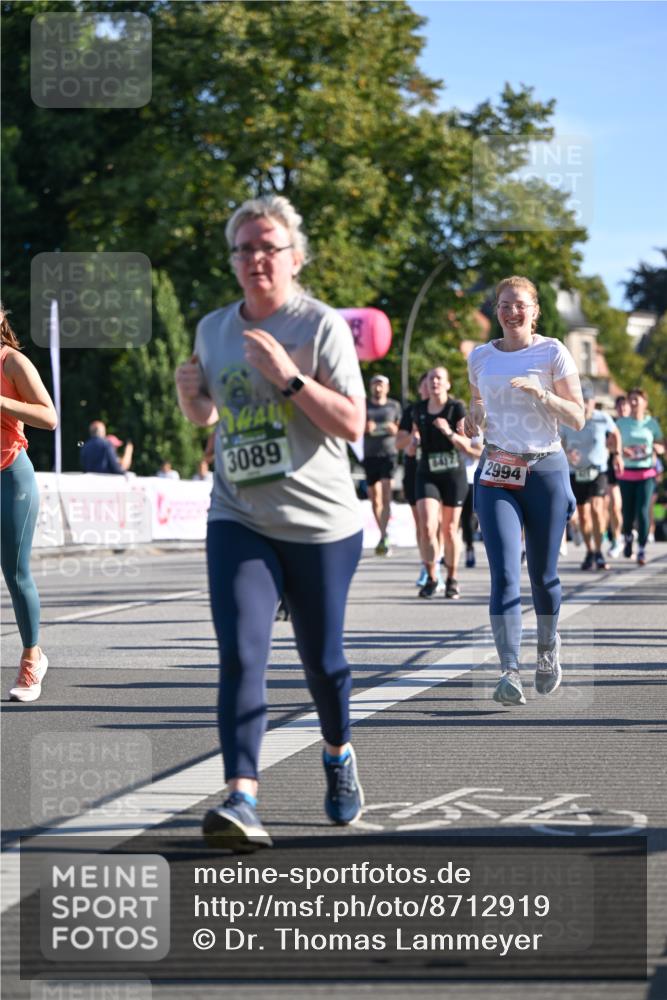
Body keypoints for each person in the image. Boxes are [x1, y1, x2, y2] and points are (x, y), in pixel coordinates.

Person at [175, 195, 366, 851]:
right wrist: (189, 398)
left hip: (320, 523)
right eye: (244, 248)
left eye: (268, 246)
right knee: (241, 654)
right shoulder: (212, 329)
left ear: (295, 257)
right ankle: (241, 797)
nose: (256, 258)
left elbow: (353, 423)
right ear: (232, 260)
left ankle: (337, 752)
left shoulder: (320, 327)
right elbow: (208, 415)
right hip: (239, 514)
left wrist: (289, 379)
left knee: (324, 664)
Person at [465, 276, 583, 706]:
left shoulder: (552, 351)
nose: (512, 312)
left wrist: (542, 395)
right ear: (496, 310)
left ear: (535, 311)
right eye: (504, 305)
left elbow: (578, 417)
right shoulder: (480, 356)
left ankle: (548, 650)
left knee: (543, 575)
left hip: (545, 469)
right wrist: (472, 418)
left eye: (520, 305)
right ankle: (508, 669)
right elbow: (478, 404)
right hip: (497, 468)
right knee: (503, 574)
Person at [1, 304, 57, 702]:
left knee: (15, 572)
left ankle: (32, 657)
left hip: (10, 477)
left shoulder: (12, 362)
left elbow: (49, 417)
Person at [414, 366, 471, 599]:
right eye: (430, 378)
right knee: (427, 526)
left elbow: (467, 445)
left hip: (453, 474)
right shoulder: (417, 409)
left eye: (439, 378)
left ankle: (452, 578)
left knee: (449, 529)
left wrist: (448, 432)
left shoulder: (456, 408)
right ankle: (432, 577)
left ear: (447, 384)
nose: (434, 382)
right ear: (426, 384)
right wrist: (410, 441)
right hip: (427, 472)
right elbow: (400, 440)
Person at [560, 385, 622, 571]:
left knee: (596, 508)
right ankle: (590, 551)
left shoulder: (602, 418)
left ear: (594, 402)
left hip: (598, 469)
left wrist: (617, 454)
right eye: (581, 401)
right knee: (584, 516)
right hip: (576, 471)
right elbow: (561, 443)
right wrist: (566, 455)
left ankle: (599, 550)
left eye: (588, 401)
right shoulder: (568, 420)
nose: (585, 405)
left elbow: (615, 434)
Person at [615, 387, 664, 566]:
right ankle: (628, 536)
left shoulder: (652, 424)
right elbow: (612, 444)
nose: (633, 403)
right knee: (627, 513)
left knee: (643, 511)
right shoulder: (621, 423)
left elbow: (661, 443)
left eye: (637, 399)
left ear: (645, 403)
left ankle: (641, 548)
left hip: (646, 473)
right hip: (627, 474)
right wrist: (620, 451)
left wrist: (659, 449)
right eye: (631, 400)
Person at [396, 372, 435, 587]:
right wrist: (413, 438)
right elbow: (398, 443)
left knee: (437, 524)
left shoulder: (448, 408)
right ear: (421, 389)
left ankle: (440, 563)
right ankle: (428, 566)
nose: (430, 388)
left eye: (433, 384)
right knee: (423, 524)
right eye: (425, 385)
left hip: (440, 471)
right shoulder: (412, 411)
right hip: (414, 468)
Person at [362, 374, 401, 556]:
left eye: (381, 384)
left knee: (386, 495)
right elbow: (354, 427)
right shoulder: (364, 406)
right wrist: (364, 428)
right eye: (374, 384)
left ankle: (384, 535)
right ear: (370, 387)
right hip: (370, 455)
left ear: (387, 387)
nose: (378, 388)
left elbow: (403, 429)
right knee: (374, 499)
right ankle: (383, 533)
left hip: (389, 454)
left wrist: (396, 430)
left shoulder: (394, 406)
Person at [606, 395, 630, 558]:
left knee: (628, 507)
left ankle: (627, 535)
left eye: (625, 406)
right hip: (614, 468)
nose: (622, 409)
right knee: (614, 506)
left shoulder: (639, 424)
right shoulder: (611, 424)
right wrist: (617, 451)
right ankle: (616, 539)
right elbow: (606, 444)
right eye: (620, 406)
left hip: (636, 470)